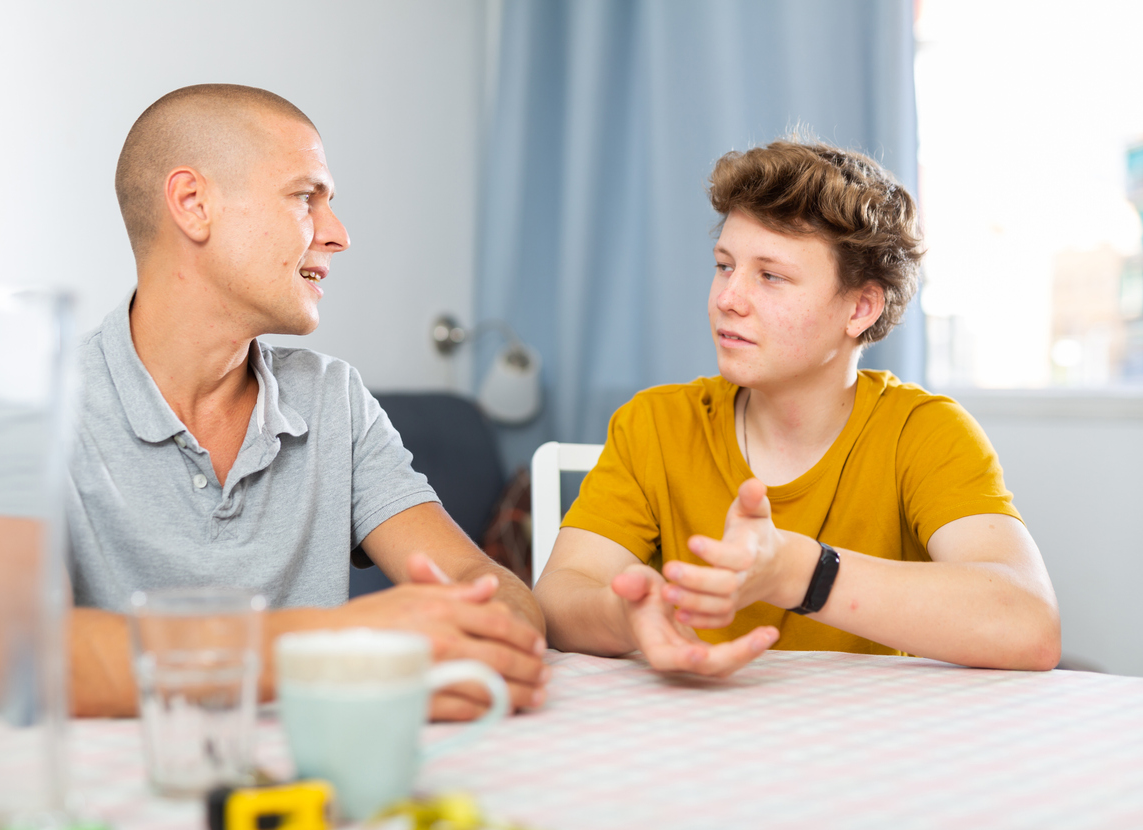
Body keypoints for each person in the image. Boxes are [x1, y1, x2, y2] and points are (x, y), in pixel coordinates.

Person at [65, 84, 547, 718]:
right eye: (304, 197)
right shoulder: (38, 407)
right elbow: (18, 653)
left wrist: (491, 639)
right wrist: (345, 645)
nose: (339, 235)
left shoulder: (332, 398)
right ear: (193, 204)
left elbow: (485, 588)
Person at [533, 139, 1061, 678]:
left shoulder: (922, 432)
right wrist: (626, 614)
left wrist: (801, 574)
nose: (727, 298)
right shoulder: (656, 424)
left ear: (860, 307)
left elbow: (1028, 624)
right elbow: (557, 598)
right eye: (724, 265)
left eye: (771, 276)